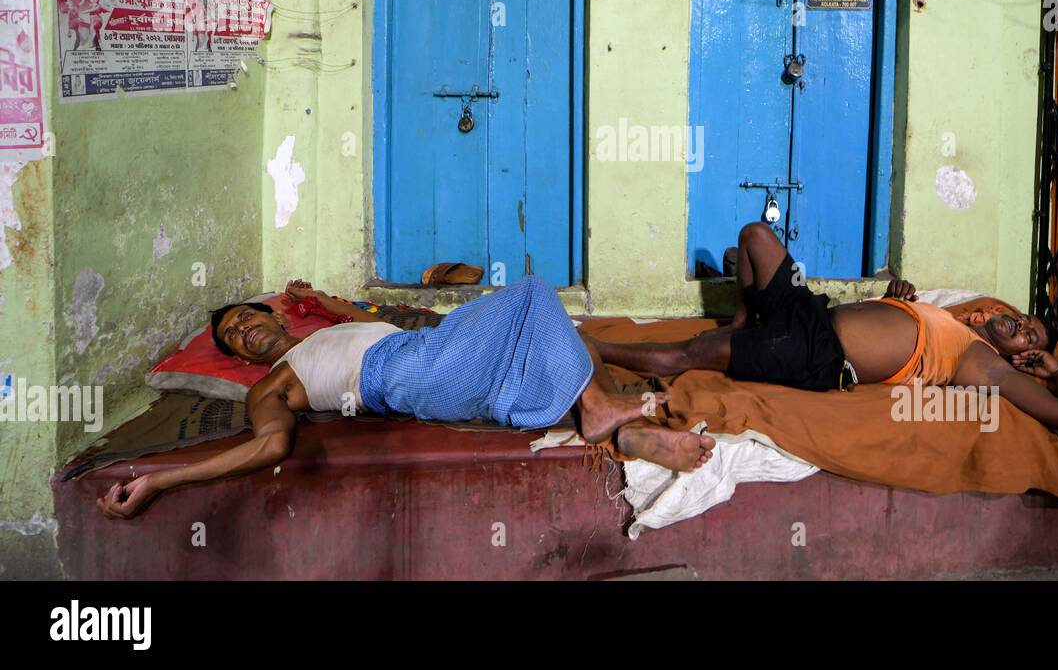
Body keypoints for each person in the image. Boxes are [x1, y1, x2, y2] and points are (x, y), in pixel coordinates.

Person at [98, 277, 715, 520]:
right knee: (530, 293)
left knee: (557, 345)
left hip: (433, 368)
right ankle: (605, 413)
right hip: (406, 373)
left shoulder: (321, 334)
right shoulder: (275, 381)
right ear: (240, 358)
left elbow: (359, 315)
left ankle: (621, 430)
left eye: (244, 318)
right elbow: (270, 441)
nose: (242, 330)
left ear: (271, 313)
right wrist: (162, 481)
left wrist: (319, 301)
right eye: (232, 337)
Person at [590, 223, 1058, 434]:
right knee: (755, 236)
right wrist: (894, 302)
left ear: (1022, 357)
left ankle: (591, 347)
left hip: (815, 354)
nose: (1020, 325)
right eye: (1026, 319)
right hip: (812, 312)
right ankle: (745, 321)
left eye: (1029, 336)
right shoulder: (960, 321)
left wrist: (1056, 371)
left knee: (693, 352)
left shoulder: (982, 364)